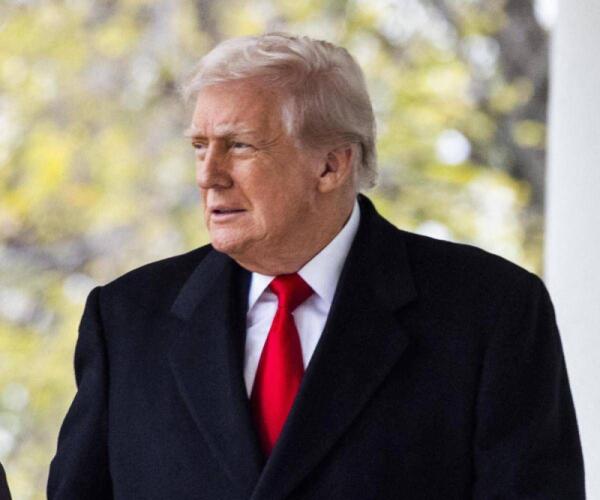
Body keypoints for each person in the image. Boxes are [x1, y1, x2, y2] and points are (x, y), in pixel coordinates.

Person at [48, 33, 584, 499]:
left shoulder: (491, 311)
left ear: (331, 164)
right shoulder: (126, 319)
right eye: (199, 146)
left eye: (239, 146)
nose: (208, 175)